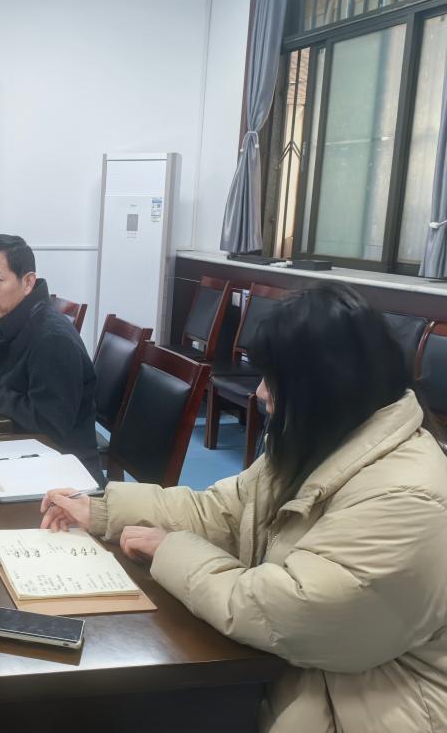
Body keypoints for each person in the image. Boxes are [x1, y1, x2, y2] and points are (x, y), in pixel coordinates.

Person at [40, 283, 447, 733]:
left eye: (274, 380)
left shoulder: (408, 495)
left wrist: (170, 549)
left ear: (325, 386)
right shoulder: (325, 439)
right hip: (299, 675)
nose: (260, 394)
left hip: (365, 706)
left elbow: (293, 614)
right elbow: (223, 510)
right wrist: (103, 511)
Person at [0, 234, 99, 478]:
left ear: (27, 282)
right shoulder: (15, 319)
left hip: (65, 472)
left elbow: (49, 423)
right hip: (22, 449)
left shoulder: (52, 339)